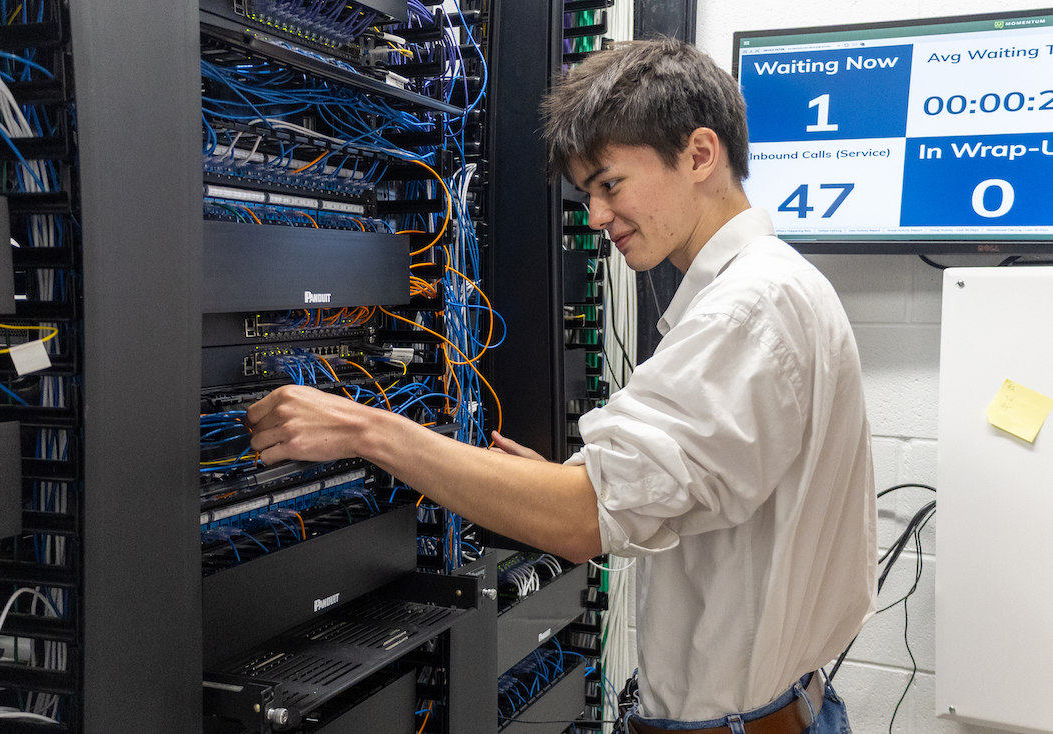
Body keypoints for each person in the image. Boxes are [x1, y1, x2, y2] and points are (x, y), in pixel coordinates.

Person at [246, 38, 876, 734]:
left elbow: (582, 523)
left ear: (700, 154)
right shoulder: (768, 289)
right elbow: (708, 498)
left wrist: (366, 428)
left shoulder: (748, 310)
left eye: (610, 185)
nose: (598, 217)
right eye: (588, 195)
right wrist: (554, 484)